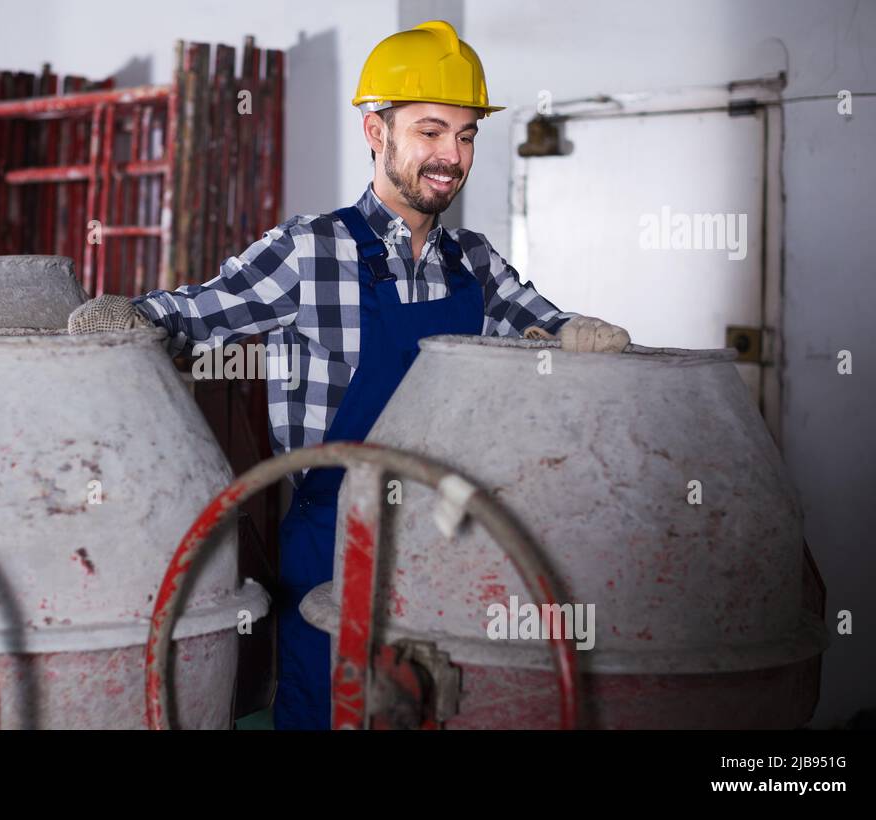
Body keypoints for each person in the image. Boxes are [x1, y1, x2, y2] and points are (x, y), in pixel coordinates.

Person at [68, 20, 630, 729]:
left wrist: (576, 333)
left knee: (438, 697)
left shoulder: (475, 262)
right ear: (376, 131)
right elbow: (200, 312)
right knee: (329, 701)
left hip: (453, 532)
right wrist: (132, 317)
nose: (450, 156)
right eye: (430, 131)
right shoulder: (312, 251)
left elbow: (536, 321)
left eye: (466, 136)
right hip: (334, 532)